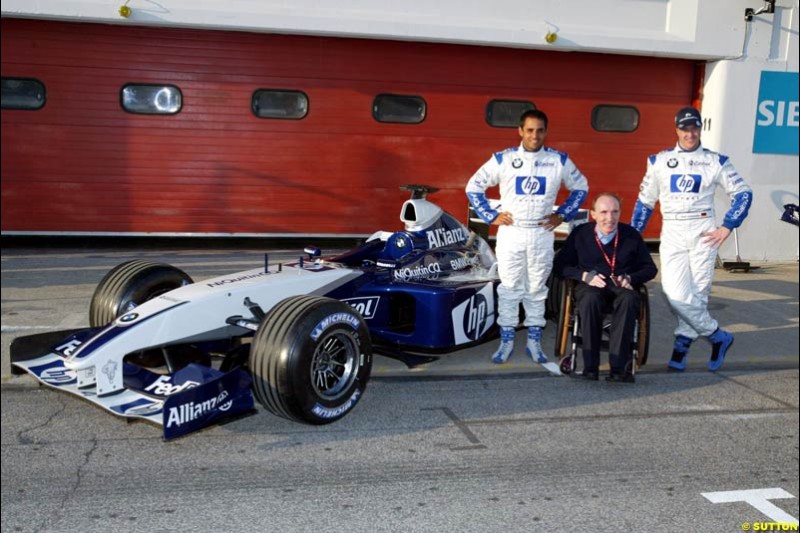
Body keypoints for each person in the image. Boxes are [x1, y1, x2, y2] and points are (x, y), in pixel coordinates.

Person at [631, 106, 752, 372]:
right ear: (676, 130)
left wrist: (727, 227)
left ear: (700, 128)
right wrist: (632, 238)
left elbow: (743, 193)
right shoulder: (659, 161)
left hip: (704, 232)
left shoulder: (716, 161)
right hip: (672, 232)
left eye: (695, 127)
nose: (690, 133)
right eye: (685, 128)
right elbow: (644, 203)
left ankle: (681, 347)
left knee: (697, 295)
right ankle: (718, 336)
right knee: (673, 293)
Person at [466, 109, 589, 366]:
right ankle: (507, 340)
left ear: (546, 132)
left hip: (542, 232)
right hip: (512, 233)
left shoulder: (558, 160)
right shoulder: (504, 159)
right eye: (530, 130)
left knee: (536, 289)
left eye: (540, 130)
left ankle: (534, 341)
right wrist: (490, 215)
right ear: (520, 131)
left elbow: (581, 186)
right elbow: (473, 186)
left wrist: (563, 215)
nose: (535, 135)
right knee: (510, 288)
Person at [555, 193, 657, 382]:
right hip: (591, 285)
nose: (609, 218)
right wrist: (584, 276)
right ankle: (590, 367)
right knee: (590, 299)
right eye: (603, 212)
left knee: (629, 299)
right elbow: (560, 266)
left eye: (614, 212)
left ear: (620, 213)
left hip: (621, 286)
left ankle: (618, 369)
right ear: (593, 214)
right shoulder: (581, 234)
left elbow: (650, 269)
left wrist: (631, 277)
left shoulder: (631, 235)